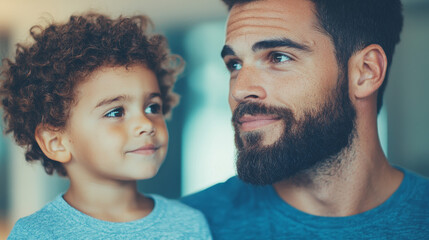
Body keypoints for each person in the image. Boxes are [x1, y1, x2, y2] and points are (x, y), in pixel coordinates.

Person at [182, 0, 429, 239]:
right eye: (235, 65)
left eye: (278, 57)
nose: (239, 90)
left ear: (366, 72)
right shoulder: (189, 227)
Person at [1, 13, 211, 239]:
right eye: (116, 112)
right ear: (56, 142)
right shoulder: (37, 234)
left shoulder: (188, 224)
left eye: (152, 108)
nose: (146, 124)